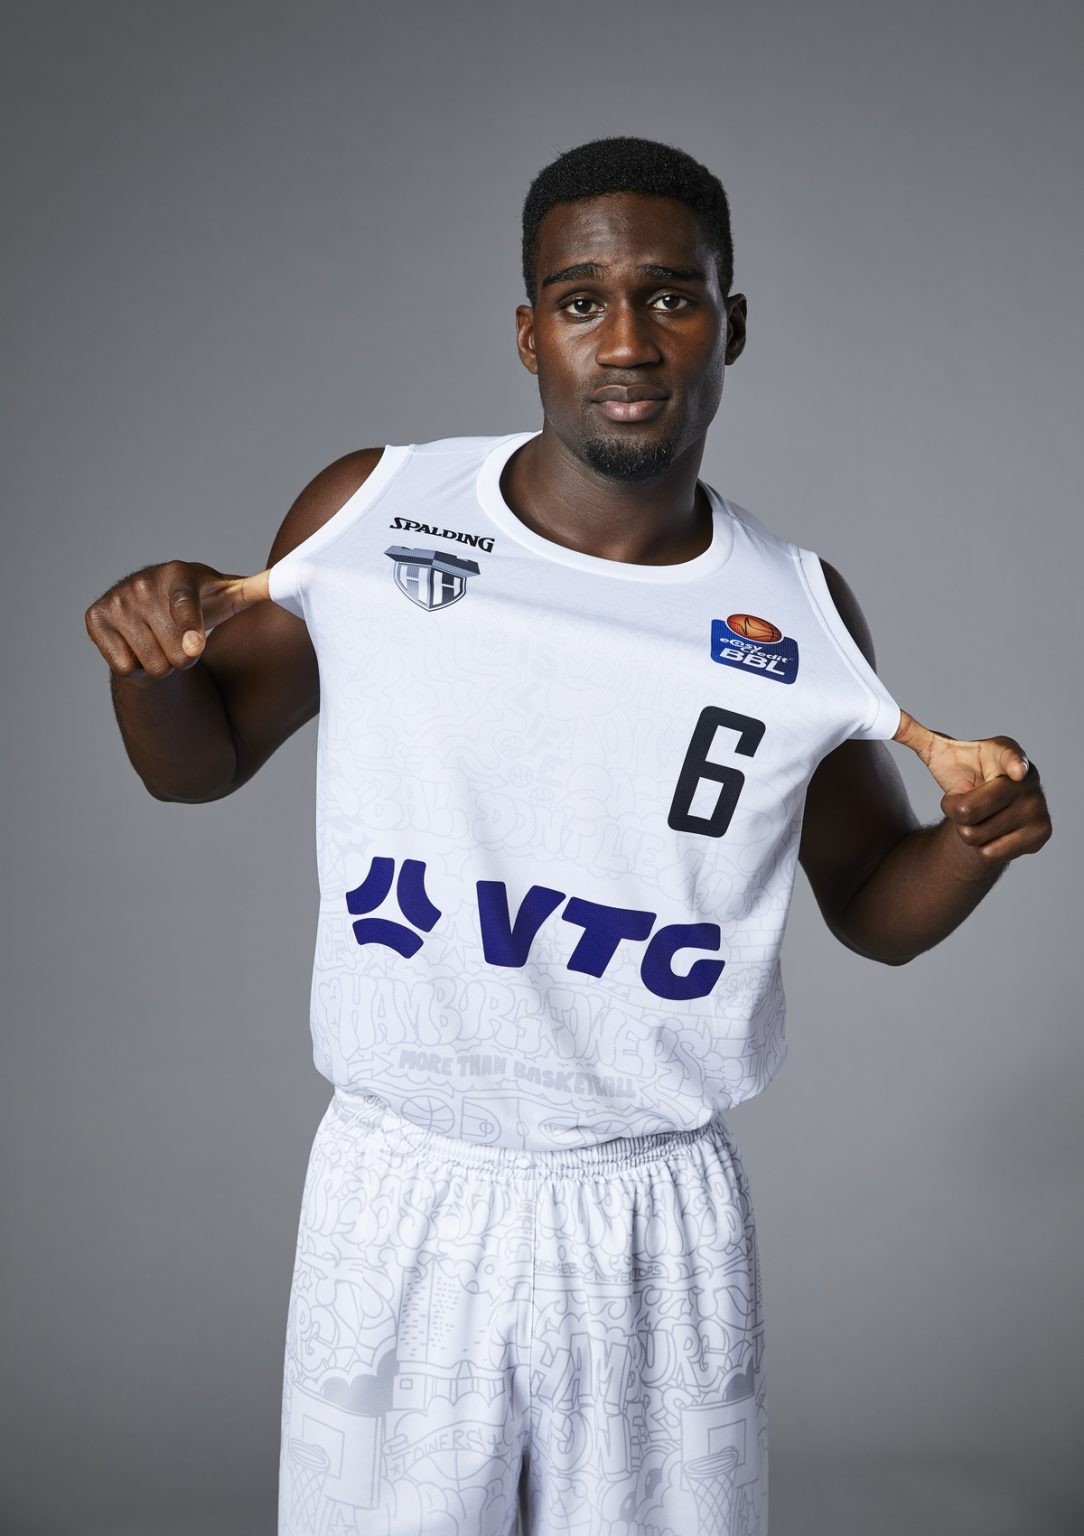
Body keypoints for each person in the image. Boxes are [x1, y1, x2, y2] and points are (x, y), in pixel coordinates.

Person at [85, 136, 1051, 1536]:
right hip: (404, 1187)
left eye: (673, 296)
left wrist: (974, 844)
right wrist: (149, 665)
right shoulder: (377, 512)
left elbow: (869, 903)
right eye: (583, 299)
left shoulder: (793, 609)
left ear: (732, 325)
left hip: (650, 1206)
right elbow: (200, 764)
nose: (630, 340)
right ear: (530, 331)